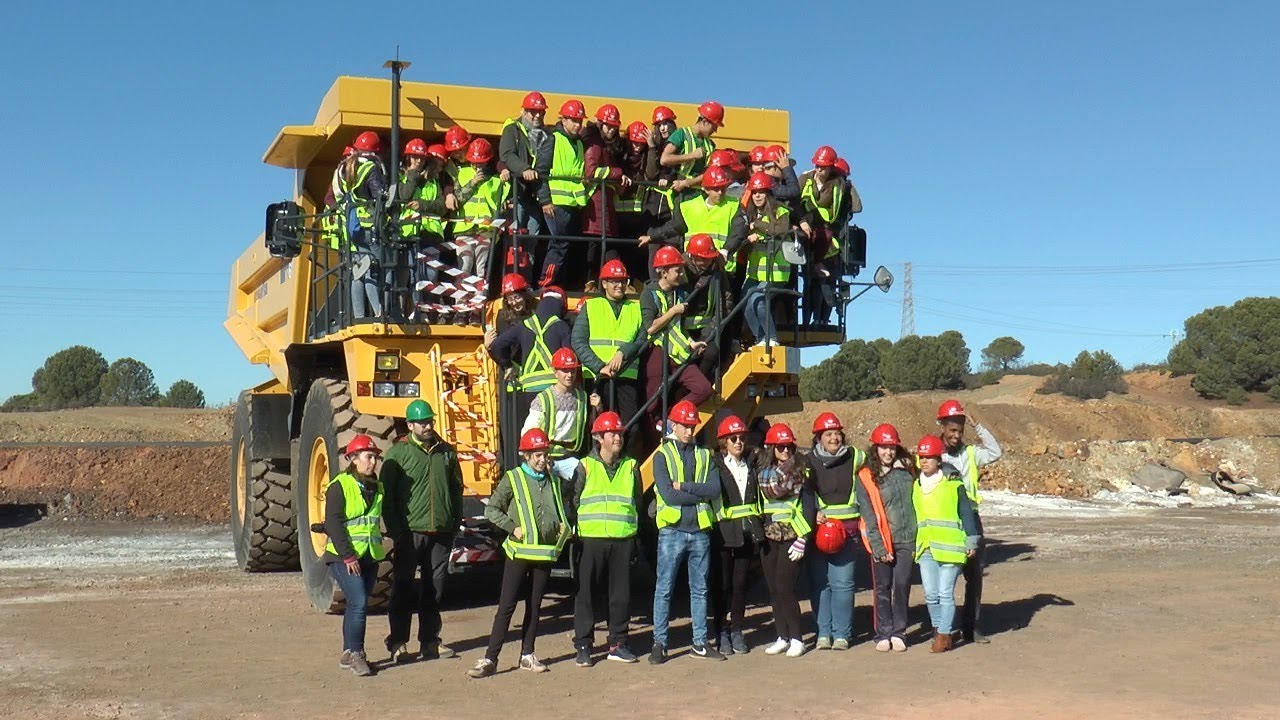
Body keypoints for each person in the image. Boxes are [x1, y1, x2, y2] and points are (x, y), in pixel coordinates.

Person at [469, 429, 570, 678]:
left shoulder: (553, 479)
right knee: (507, 606)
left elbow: (559, 508)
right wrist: (512, 528)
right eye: (536, 454)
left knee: (535, 606)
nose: (541, 459)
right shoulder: (513, 478)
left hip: (544, 554)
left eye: (544, 453)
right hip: (518, 554)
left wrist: (561, 528)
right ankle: (491, 658)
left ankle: (528, 654)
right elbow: (493, 509)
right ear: (525, 455)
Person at [381, 399, 462, 663]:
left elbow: (456, 490)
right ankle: (398, 643)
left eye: (430, 421)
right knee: (403, 587)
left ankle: (430, 642)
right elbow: (387, 496)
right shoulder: (398, 454)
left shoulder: (446, 452)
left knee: (433, 588)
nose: (428, 426)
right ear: (410, 425)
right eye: (422, 422)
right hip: (409, 532)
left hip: (440, 532)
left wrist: (453, 524)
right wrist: (397, 531)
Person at [649, 400, 724, 664]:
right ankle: (660, 643)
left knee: (700, 589)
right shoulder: (662, 455)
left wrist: (685, 486)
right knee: (665, 588)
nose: (689, 431)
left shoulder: (705, 455)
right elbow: (668, 496)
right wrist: (698, 494)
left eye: (692, 426)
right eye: (684, 426)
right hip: (672, 530)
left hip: (700, 531)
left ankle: (700, 643)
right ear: (674, 425)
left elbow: (714, 490)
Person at [570, 411, 642, 666]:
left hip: (622, 540)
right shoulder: (585, 466)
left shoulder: (631, 467)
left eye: (619, 432)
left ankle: (618, 643)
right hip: (591, 541)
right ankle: (583, 645)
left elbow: (637, 504)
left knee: (620, 596)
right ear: (599, 438)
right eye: (612, 433)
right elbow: (574, 502)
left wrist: (634, 539)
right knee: (586, 595)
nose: (617, 437)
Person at [936, 399, 1003, 644]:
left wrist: (979, 427)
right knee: (945, 577)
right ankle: (946, 627)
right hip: (944, 521)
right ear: (941, 427)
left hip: (970, 521)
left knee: (973, 575)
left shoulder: (971, 454)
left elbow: (996, 452)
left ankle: (970, 626)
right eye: (952, 430)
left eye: (960, 431)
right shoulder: (933, 454)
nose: (956, 435)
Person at [323, 434, 386, 677]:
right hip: (343, 556)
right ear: (353, 459)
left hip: (369, 555)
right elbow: (334, 523)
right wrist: (348, 557)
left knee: (356, 603)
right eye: (368, 457)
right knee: (359, 602)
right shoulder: (340, 485)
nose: (373, 462)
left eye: (375, 457)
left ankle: (348, 653)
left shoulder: (376, 486)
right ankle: (357, 654)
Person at [913, 434, 981, 654]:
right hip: (927, 547)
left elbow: (966, 513)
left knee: (944, 593)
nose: (925, 462)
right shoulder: (916, 485)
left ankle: (944, 636)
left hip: (951, 549)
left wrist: (971, 540)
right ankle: (938, 628)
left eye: (929, 458)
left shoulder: (953, 484)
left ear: (938, 460)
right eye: (922, 457)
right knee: (930, 594)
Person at [804, 412, 866, 651]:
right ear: (819, 438)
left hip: (847, 533)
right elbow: (804, 493)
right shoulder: (808, 461)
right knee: (820, 584)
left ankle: (842, 634)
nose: (834, 439)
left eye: (837, 434)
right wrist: (813, 514)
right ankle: (823, 633)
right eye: (828, 434)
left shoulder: (856, 457)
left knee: (843, 584)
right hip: (820, 532)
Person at [855, 423, 917, 652]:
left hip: (907, 538)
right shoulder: (865, 476)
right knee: (883, 587)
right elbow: (868, 515)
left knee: (901, 585)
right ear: (875, 448)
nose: (888, 452)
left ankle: (899, 631)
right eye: (883, 447)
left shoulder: (908, 471)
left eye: (892, 448)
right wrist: (879, 547)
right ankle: (883, 632)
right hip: (882, 540)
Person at [754, 423, 813, 658]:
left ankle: (797, 638)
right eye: (781, 447)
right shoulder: (762, 474)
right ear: (771, 448)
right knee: (773, 590)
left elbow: (808, 506)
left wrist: (803, 538)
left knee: (785, 588)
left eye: (789, 446)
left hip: (791, 536)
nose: (786, 451)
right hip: (770, 537)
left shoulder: (801, 473)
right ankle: (782, 636)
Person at [570, 259, 645, 438]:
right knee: (597, 430)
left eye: (622, 281)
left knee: (631, 429)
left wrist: (623, 352)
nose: (619, 285)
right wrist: (599, 366)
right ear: (604, 283)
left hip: (626, 376)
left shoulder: (637, 308)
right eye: (614, 281)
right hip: (597, 379)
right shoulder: (591, 306)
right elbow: (578, 341)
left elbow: (643, 339)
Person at [639, 246, 711, 430]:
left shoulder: (679, 293)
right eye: (677, 270)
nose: (681, 273)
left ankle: (672, 418)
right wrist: (672, 311)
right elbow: (650, 328)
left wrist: (692, 343)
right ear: (663, 272)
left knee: (703, 389)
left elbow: (678, 328)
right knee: (652, 403)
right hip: (658, 353)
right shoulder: (649, 294)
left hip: (680, 354)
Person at [709, 414, 762, 655]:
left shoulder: (751, 465)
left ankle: (737, 630)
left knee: (740, 586)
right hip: (723, 534)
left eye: (741, 438)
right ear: (724, 442)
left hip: (746, 534)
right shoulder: (715, 466)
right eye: (733, 438)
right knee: (722, 586)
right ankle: (721, 631)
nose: (738, 442)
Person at [490, 286, 571, 431]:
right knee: (554, 432)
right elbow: (569, 356)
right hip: (554, 388)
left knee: (531, 432)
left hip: (529, 390)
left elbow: (497, 346)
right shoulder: (562, 327)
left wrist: (507, 365)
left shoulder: (524, 325)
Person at [727, 172, 793, 345]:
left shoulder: (781, 211)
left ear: (769, 193)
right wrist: (748, 239)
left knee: (759, 301)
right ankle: (762, 339)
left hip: (776, 273)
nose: (757, 196)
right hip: (755, 273)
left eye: (761, 192)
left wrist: (756, 225)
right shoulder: (747, 214)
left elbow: (779, 230)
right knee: (745, 302)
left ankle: (772, 338)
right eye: (754, 192)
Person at [639, 165, 737, 279]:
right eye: (716, 189)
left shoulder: (734, 205)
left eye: (723, 188)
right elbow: (674, 227)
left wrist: (726, 251)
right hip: (692, 268)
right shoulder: (688, 207)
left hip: (722, 268)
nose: (720, 192)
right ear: (705, 189)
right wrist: (652, 237)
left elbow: (738, 232)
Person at [331, 131, 388, 320]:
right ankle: (380, 312)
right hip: (367, 226)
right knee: (374, 267)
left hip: (350, 227)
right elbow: (379, 194)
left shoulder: (342, 168)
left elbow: (337, 196)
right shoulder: (370, 168)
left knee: (357, 272)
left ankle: (359, 315)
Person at [453, 137, 510, 322]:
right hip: (464, 229)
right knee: (464, 268)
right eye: (474, 163)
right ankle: (461, 310)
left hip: (485, 231)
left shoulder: (495, 182)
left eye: (481, 163)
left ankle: (477, 312)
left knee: (481, 271)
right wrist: (473, 182)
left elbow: (499, 206)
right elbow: (457, 199)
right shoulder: (461, 175)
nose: (477, 167)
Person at [522, 347, 591, 483]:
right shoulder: (543, 399)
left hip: (569, 456)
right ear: (555, 372)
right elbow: (528, 431)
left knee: (587, 478)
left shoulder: (582, 397)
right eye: (564, 371)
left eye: (572, 370)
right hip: (546, 458)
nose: (569, 375)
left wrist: (598, 407)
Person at [540, 99, 589, 287]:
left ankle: (559, 284)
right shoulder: (553, 138)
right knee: (558, 245)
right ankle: (546, 283)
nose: (578, 125)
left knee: (567, 246)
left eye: (580, 121)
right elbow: (541, 171)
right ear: (564, 120)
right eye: (574, 121)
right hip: (556, 203)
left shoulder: (578, 143)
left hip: (573, 204)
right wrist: (545, 201)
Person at [798, 145, 844, 326]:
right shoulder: (805, 179)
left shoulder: (838, 184)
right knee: (808, 282)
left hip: (825, 237)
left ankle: (820, 319)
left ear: (831, 167)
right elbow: (794, 201)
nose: (819, 169)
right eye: (817, 165)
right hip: (804, 233)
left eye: (823, 167)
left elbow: (834, 213)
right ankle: (806, 320)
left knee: (821, 281)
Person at [500, 91, 555, 238]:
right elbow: (507, 155)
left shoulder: (548, 135)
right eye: (534, 112)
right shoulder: (512, 129)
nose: (538, 116)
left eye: (541, 112)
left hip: (536, 196)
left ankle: (529, 262)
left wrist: (544, 198)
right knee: (515, 238)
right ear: (523, 112)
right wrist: (524, 169)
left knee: (533, 238)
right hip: (517, 194)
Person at [682, 233, 735, 381]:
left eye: (709, 258)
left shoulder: (718, 272)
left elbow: (726, 304)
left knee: (711, 353)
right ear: (692, 256)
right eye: (702, 258)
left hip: (707, 330)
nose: (706, 262)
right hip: (681, 331)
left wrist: (708, 335)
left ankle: (700, 384)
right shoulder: (679, 271)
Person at [583, 104, 632, 247]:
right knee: (597, 253)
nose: (611, 130)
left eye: (614, 126)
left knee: (601, 251)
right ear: (600, 124)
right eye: (608, 126)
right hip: (595, 206)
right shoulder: (595, 144)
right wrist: (618, 173)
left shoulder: (604, 144)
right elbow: (591, 172)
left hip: (603, 204)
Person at [660, 100, 724, 202]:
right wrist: (692, 156)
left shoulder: (710, 145)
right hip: (681, 194)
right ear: (704, 122)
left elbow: (709, 173)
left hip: (699, 194)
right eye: (714, 126)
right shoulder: (681, 134)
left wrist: (688, 183)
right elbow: (664, 159)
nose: (715, 130)